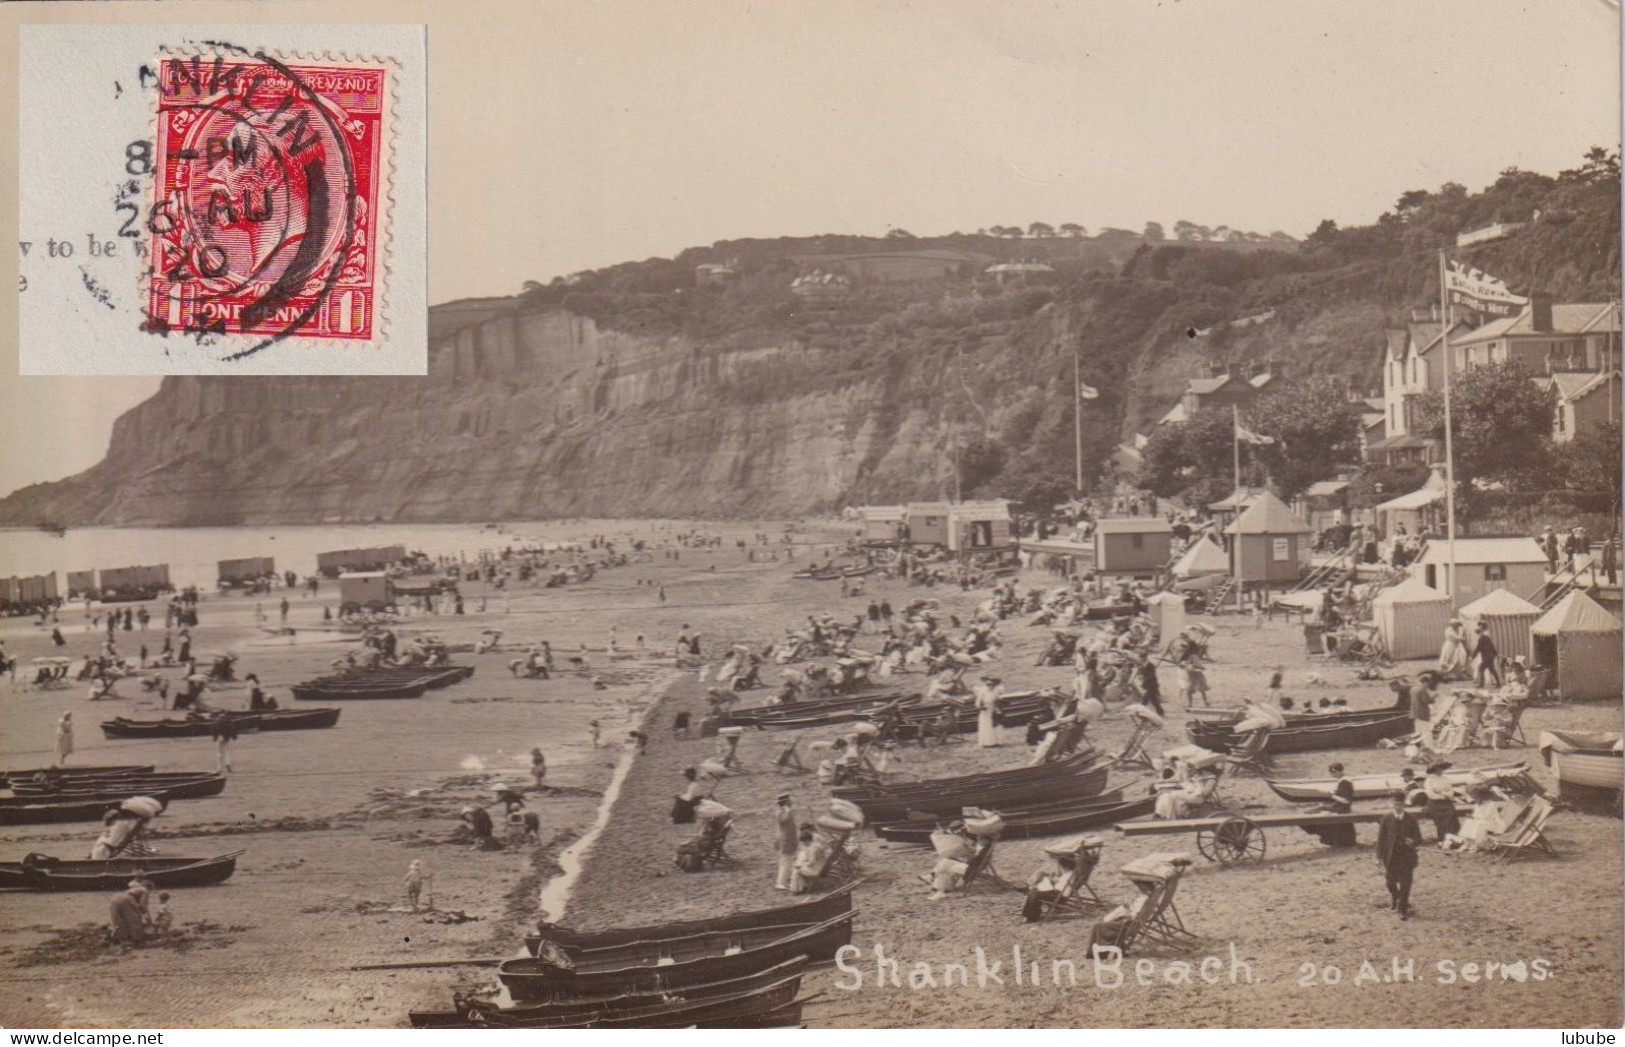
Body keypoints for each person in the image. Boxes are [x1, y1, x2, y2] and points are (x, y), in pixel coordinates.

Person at [1375, 791, 1421, 919]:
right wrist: (1378, 856)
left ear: (1404, 805)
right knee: (1390, 882)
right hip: (1391, 857)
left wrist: (1413, 841)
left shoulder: (1411, 819)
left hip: (1406, 857)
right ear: (1392, 804)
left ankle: (1403, 909)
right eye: (1395, 804)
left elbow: (1419, 838)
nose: (1398, 807)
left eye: (1400, 804)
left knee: (1406, 883)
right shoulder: (1386, 819)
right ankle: (1396, 897)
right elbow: (1381, 839)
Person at [1422, 762, 1461, 843]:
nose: (1441, 770)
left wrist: (1445, 794)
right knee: (1442, 821)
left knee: (1452, 816)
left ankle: (1453, 838)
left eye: (1442, 768)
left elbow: (1451, 790)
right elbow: (1430, 794)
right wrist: (1441, 796)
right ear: (1435, 769)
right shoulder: (1429, 780)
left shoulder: (1445, 779)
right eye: (1439, 768)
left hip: (1447, 802)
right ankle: (1444, 839)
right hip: (1435, 804)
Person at [791, 824, 830, 894]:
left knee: (796, 869)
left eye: (804, 842)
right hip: (821, 865)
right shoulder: (816, 845)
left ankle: (797, 889)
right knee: (798, 868)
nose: (803, 844)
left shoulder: (813, 848)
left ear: (807, 840)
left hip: (816, 869)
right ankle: (801, 888)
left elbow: (811, 862)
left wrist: (801, 864)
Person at [773, 793, 798, 891]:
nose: (792, 802)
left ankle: (789, 878)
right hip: (785, 839)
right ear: (786, 802)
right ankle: (780, 882)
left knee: (789, 859)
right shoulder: (780, 812)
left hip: (789, 838)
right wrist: (788, 810)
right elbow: (784, 820)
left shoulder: (784, 810)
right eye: (789, 801)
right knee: (786, 860)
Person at [973, 675, 1003, 748]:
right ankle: (987, 743)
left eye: (992, 685)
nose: (991, 686)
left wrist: (999, 705)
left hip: (993, 710)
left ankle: (996, 741)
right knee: (986, 726)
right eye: (989, 685)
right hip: (985, 711)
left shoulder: (996, 691)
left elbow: (999, 699)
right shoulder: (982, 691)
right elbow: (977, 702)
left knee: (995, 725)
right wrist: (981, 707)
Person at [1472, 623, 1502, 688]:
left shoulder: (1481, 638)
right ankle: (1498, 683)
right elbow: (1492, 646)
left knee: (1481, 668)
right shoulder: (1487, 637)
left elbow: (1478, 648)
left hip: (1486, 657)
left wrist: (1473, 656)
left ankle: (1481, 684)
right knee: (1492, 670)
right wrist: (1496, 653)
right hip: (1490, 656)